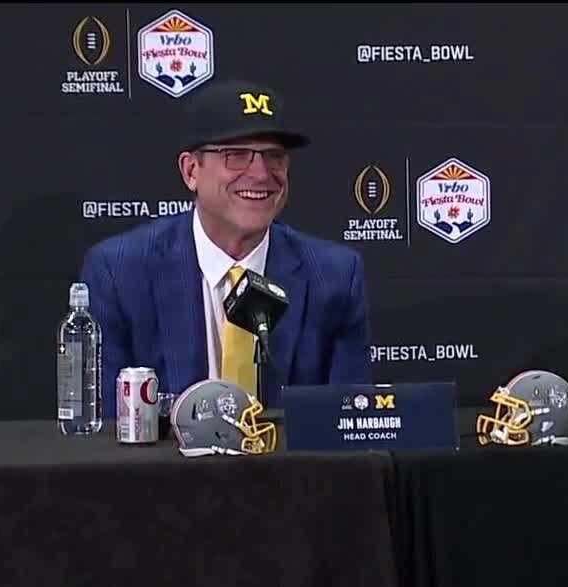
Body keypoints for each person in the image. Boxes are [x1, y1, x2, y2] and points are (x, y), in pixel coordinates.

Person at [80, 79, 372, 419]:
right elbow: (107, 426)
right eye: (236, 156)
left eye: (274, 156)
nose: (261, 174)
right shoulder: (119, 270)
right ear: (191, 171)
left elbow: (350, 423)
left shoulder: (335, 275)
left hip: (291, 471)